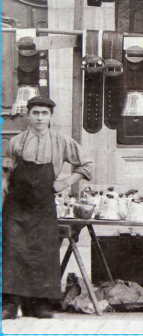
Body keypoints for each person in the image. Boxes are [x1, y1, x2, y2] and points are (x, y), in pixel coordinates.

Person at [2, 97, 94, 319]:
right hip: (16, 205)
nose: (40, 118)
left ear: (50, 116)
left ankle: (39, 305)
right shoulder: (16, 142)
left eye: (44, 113)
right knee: (12, 251)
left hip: (43, 203)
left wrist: (65, 182)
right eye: (35, 113)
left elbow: (87, 165)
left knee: (43, 251)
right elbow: (8, 169)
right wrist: (4, 182)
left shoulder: (62, 141)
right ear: (28, 116)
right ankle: (10, 305)